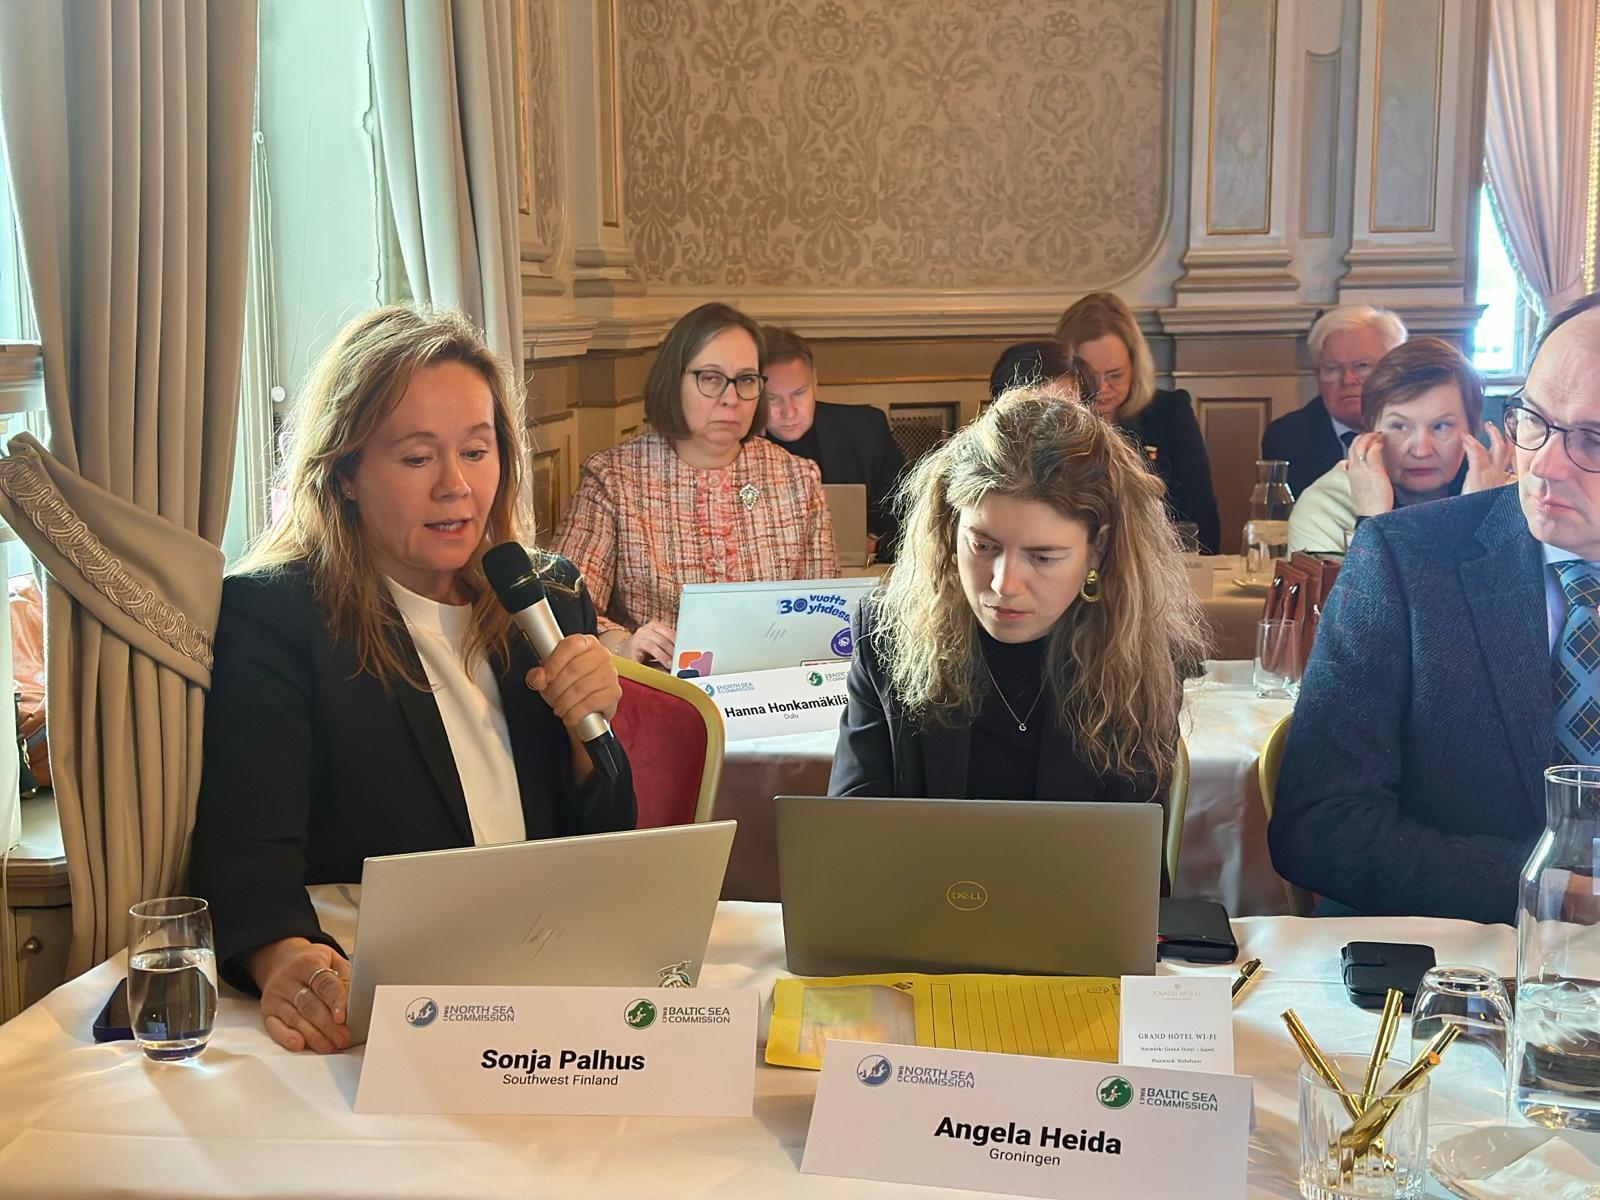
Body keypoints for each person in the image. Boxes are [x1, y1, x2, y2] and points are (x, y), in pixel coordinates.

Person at [191, 306, 636, 1054]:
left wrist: (587, 740)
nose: (456, 487)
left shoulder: (545, 597)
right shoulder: (277, 616)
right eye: (417, 458)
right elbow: (248, 856)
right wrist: (284, 958)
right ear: (346, 473)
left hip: (545, 986)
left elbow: (607, 850)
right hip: (383, 1005)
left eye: (476, 451)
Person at [1268, 294, 1600, 925]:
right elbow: (1320, 826)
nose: (1543, 466)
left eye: (1594, 439)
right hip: (1459, 955)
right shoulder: (1406, 559)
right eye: (1534, 420)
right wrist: (1554, 889)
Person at [829, 383, 1208, 887]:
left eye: (1043, 557)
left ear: (1098, 549)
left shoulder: (1141, 654)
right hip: (914, 915)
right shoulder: (888, 635)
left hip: (1074, 921)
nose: (1004, 585)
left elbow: (1130, 873)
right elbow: (849, 841)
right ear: (950, 529)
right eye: (983, 546)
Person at [554, 304, 837, 668]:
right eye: (711, 378)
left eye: (746, 380)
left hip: (775, 687)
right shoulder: (613, 478)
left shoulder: (798, 478)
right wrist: (624, 644)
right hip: (660, 687)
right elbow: (565, 607)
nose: (731, 398)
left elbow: (826, 615)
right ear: (673, 382)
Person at [1287, 337, 1514, 553]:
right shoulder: (1326, 506)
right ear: (1368, 430)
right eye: (1400, 427)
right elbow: (1362, 585)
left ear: (1472, 430)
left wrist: (1480, 510)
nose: (1421, 451)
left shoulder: (1516, 498)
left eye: (1441, 426)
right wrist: (1373, 520)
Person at [1055, 292, 1222, 553]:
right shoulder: (1051, 422)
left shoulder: (1169, 413)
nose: (1102, 388)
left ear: (1135, 367)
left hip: (1159, 563)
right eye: (1088, 376)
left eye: (1115, 375)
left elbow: (1202, 523)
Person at [761, 326, 905, 562]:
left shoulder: (865, 431)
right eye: (772, 398)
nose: (789, 411)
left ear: (815, 382)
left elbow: (917, 524)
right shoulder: (733, 447)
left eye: (799, 393)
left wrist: (874, 547)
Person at [1263, 305, 1408, 498]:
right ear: (1317, 376)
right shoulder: (1288, 437)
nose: (1348, 380)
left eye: (1362, 366)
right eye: (1332, 369)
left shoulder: (1420, 430)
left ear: (1395, 371)